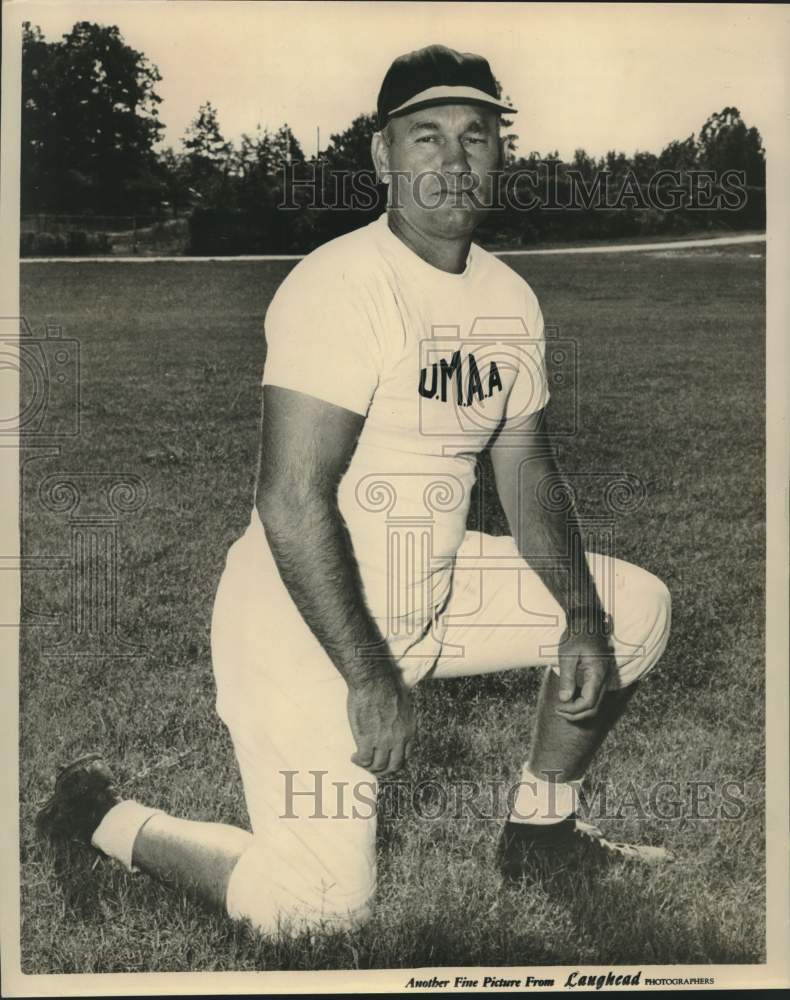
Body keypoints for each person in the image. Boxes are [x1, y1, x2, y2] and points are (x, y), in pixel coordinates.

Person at [37, 44, 673, 939]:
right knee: (318, 913)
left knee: (630, 609)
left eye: (476, 137)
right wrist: (370, 675)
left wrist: (578, 615)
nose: (453, 162)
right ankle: (100, 815)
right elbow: (291, 499)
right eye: (426, 137)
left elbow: (525, 467)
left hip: (433, 586)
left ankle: (543, 832)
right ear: (382, 157)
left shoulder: (510, 298)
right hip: (306, 627)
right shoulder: (339, 285)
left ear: (501, 153)